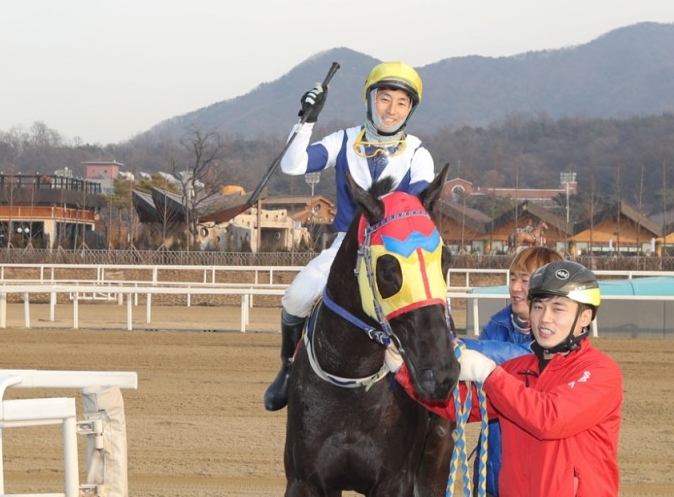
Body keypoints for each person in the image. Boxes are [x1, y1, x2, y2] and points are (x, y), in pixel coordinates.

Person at [263, 61, 435, 411]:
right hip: (347, 243)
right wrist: (306, 120)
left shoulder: (418, 153)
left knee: (426, 308)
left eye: (401, 103)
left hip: (394, 249)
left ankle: (429, 375)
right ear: (369, 100)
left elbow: (419, 211)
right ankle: (288, 368)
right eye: (384, 99)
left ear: (410, 109)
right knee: (296, 297)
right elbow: (292, 166)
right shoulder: (343, 140)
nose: (391, 110)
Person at [391, 260, 623, 496]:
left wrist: (488, 373)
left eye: (558, 308)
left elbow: (550, 418)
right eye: (539, 307)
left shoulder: (601, 371)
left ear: (584, 318)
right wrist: (402, 371)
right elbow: (456, 405)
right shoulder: (517, 369)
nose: (544, 318)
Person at [462, 246, 563, 495]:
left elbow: (526, 360)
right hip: (491, 465)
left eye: (525, 280)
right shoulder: (496, 325)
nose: (515, 287)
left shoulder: (560, 338)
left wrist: (454, 347)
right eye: (512, 278)